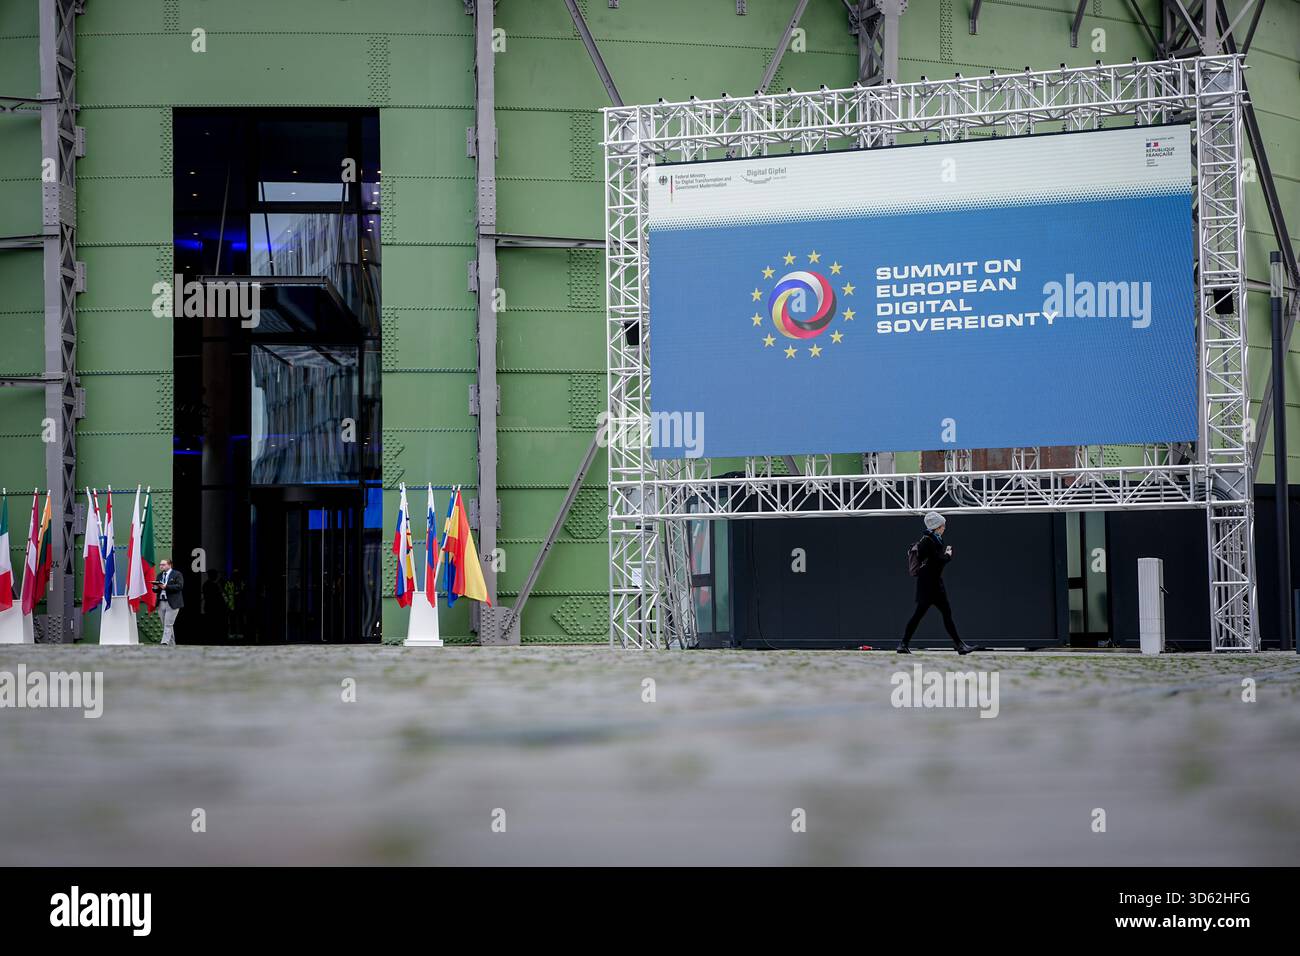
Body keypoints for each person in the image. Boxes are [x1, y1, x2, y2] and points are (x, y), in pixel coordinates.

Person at [899, 512, 974, 655]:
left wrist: (943, 555)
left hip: (932, 584)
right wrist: (947, 555)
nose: (944, 527)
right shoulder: (928, 541)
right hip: (929, 586)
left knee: (940, 614)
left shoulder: (934, 540)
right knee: (923, 615)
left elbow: (934, 562)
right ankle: (903, 644)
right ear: (936, 527)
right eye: (942, 525)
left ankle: (960, 645)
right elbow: (936, 563)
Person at [154, 557, 184, 646]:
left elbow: (179, 586)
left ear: (169, 565)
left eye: (163, 564)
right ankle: (172, 644)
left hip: (173, 602)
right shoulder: (159, 575)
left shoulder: (177, 574)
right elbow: (157, 590)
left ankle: (164, 642)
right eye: (160, 565)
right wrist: (155, 588)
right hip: (161, 602)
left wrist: (166, 587)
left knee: (168, 624)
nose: (161, 566)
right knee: (166, 624)